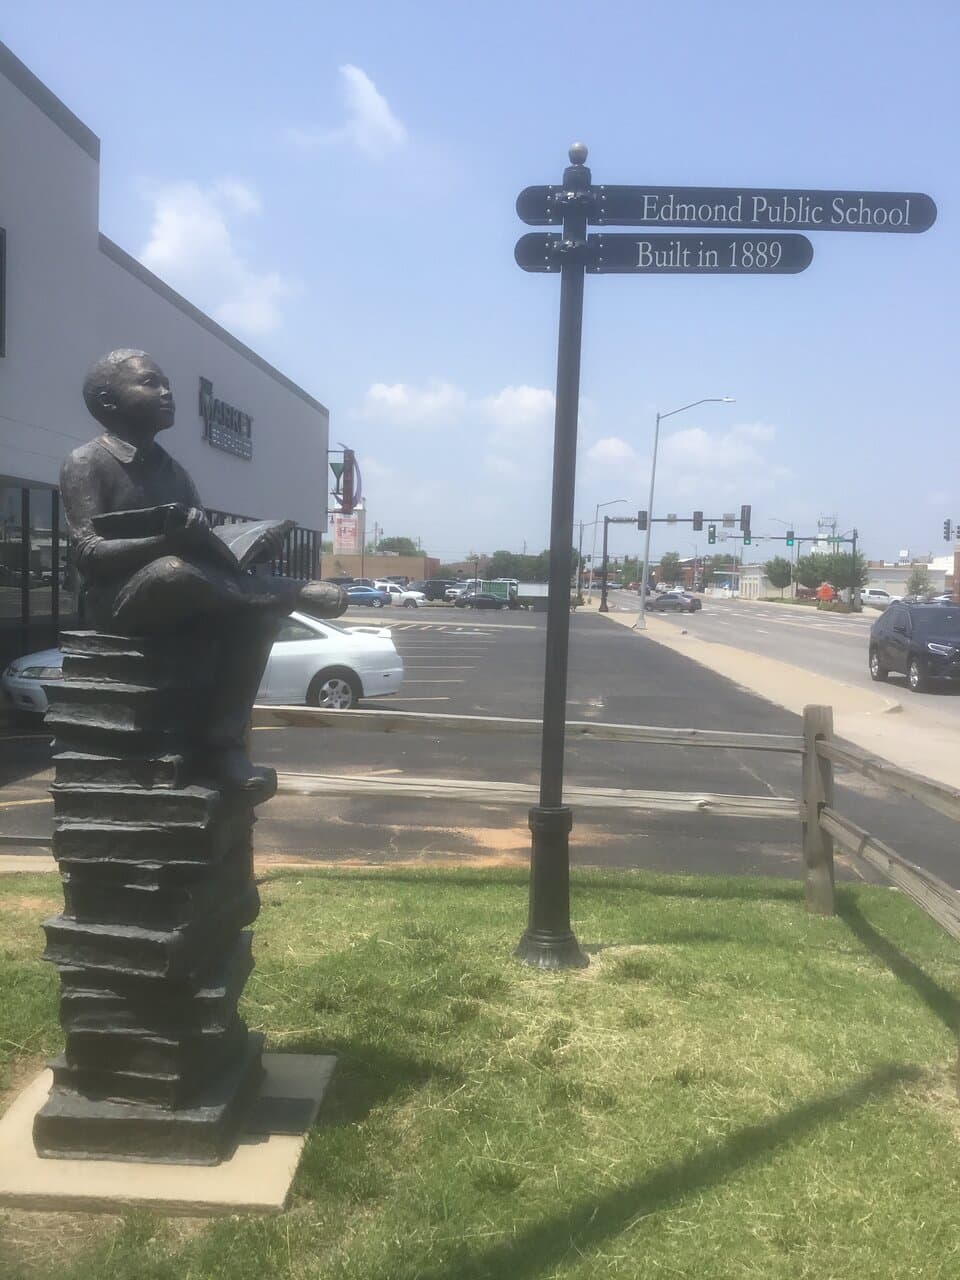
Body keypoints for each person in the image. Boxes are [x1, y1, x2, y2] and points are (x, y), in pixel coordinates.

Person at [60, 349, 346, 792]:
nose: (167, 392)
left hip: (183, 595)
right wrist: (166, 543)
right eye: (150, 383)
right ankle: (288, 591)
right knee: (172, 570)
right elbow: (88, 554)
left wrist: (249, 550)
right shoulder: (87, 462)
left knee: (257, 618)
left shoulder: (177, 474)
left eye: (167, 383)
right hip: (115, 604)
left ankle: (224, 747)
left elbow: (207, 554)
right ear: (107, 401)